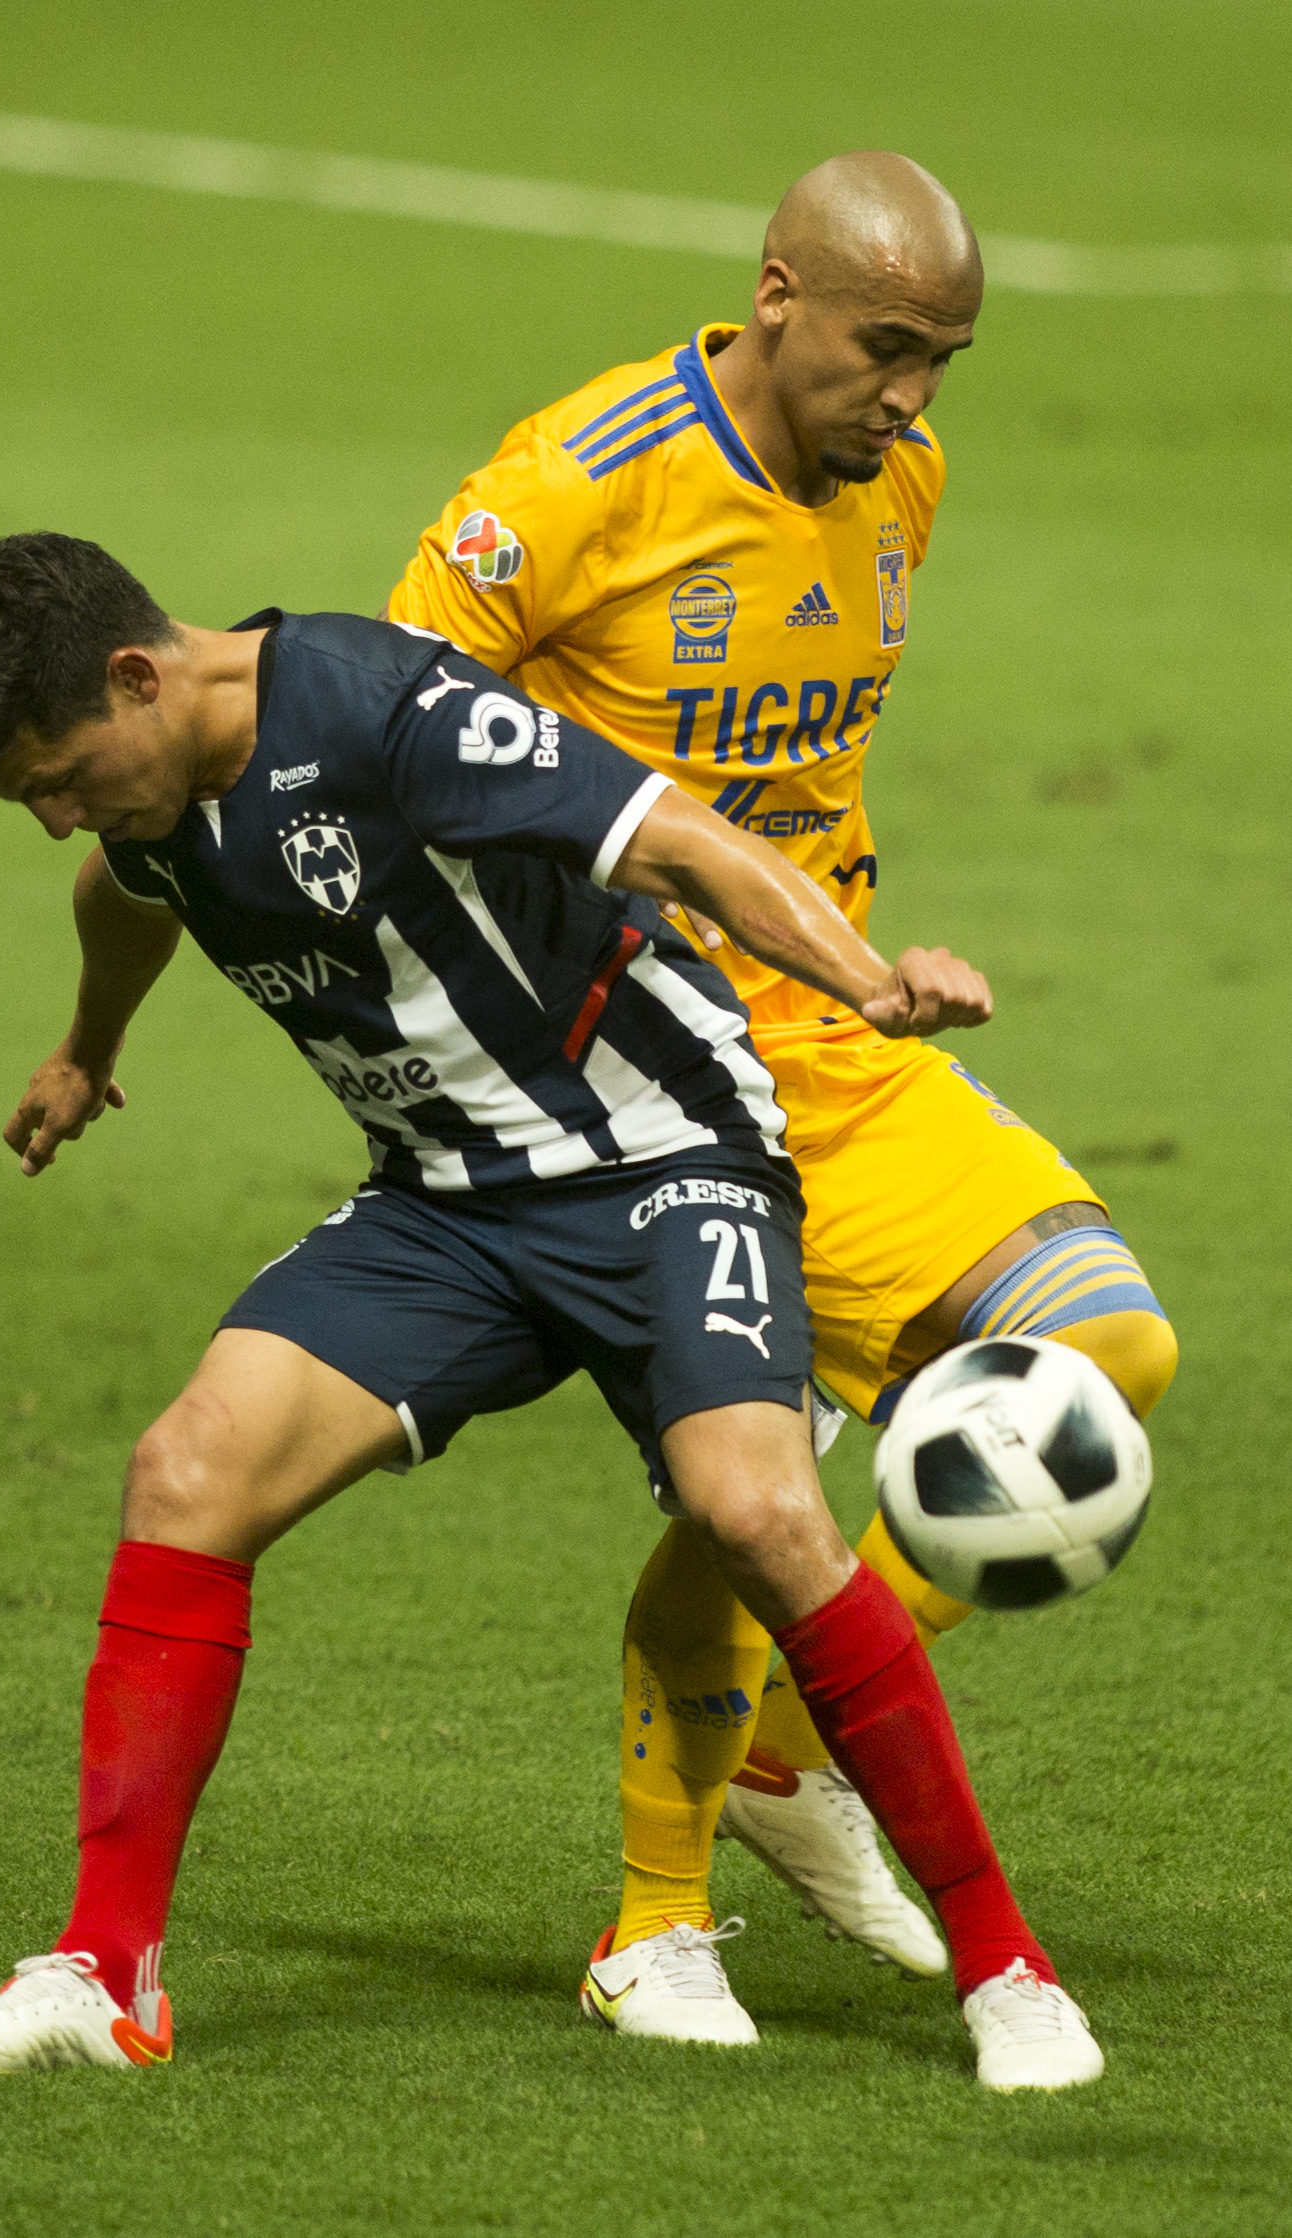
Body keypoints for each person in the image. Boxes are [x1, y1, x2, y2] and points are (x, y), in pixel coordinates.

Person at [0, 533, 1097, 2089]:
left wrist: (864, 980)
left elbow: (680, 842)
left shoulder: (387, 709)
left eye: (56, 770)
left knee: (758, 1511)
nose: (57, 807)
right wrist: (82, 1046)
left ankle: (1009, 1969)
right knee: (187, 1469)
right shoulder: (153, 796)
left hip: (664, 1152)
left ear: (138, 675)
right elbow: (125, 890)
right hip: (448, 1202)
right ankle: (104, 1979)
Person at [387, 150, 1176, 2024]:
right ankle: (652, 1918)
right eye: (887, 347)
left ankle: (780, 1751)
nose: (911, 395)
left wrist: (850, 960)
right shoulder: (575, 486)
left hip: (835, 1038)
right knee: (762, 1480)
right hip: (626, 1075)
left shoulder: (896, 479)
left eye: (945, 360)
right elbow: (391, 724)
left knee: (1105, 1354)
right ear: (776, 295)